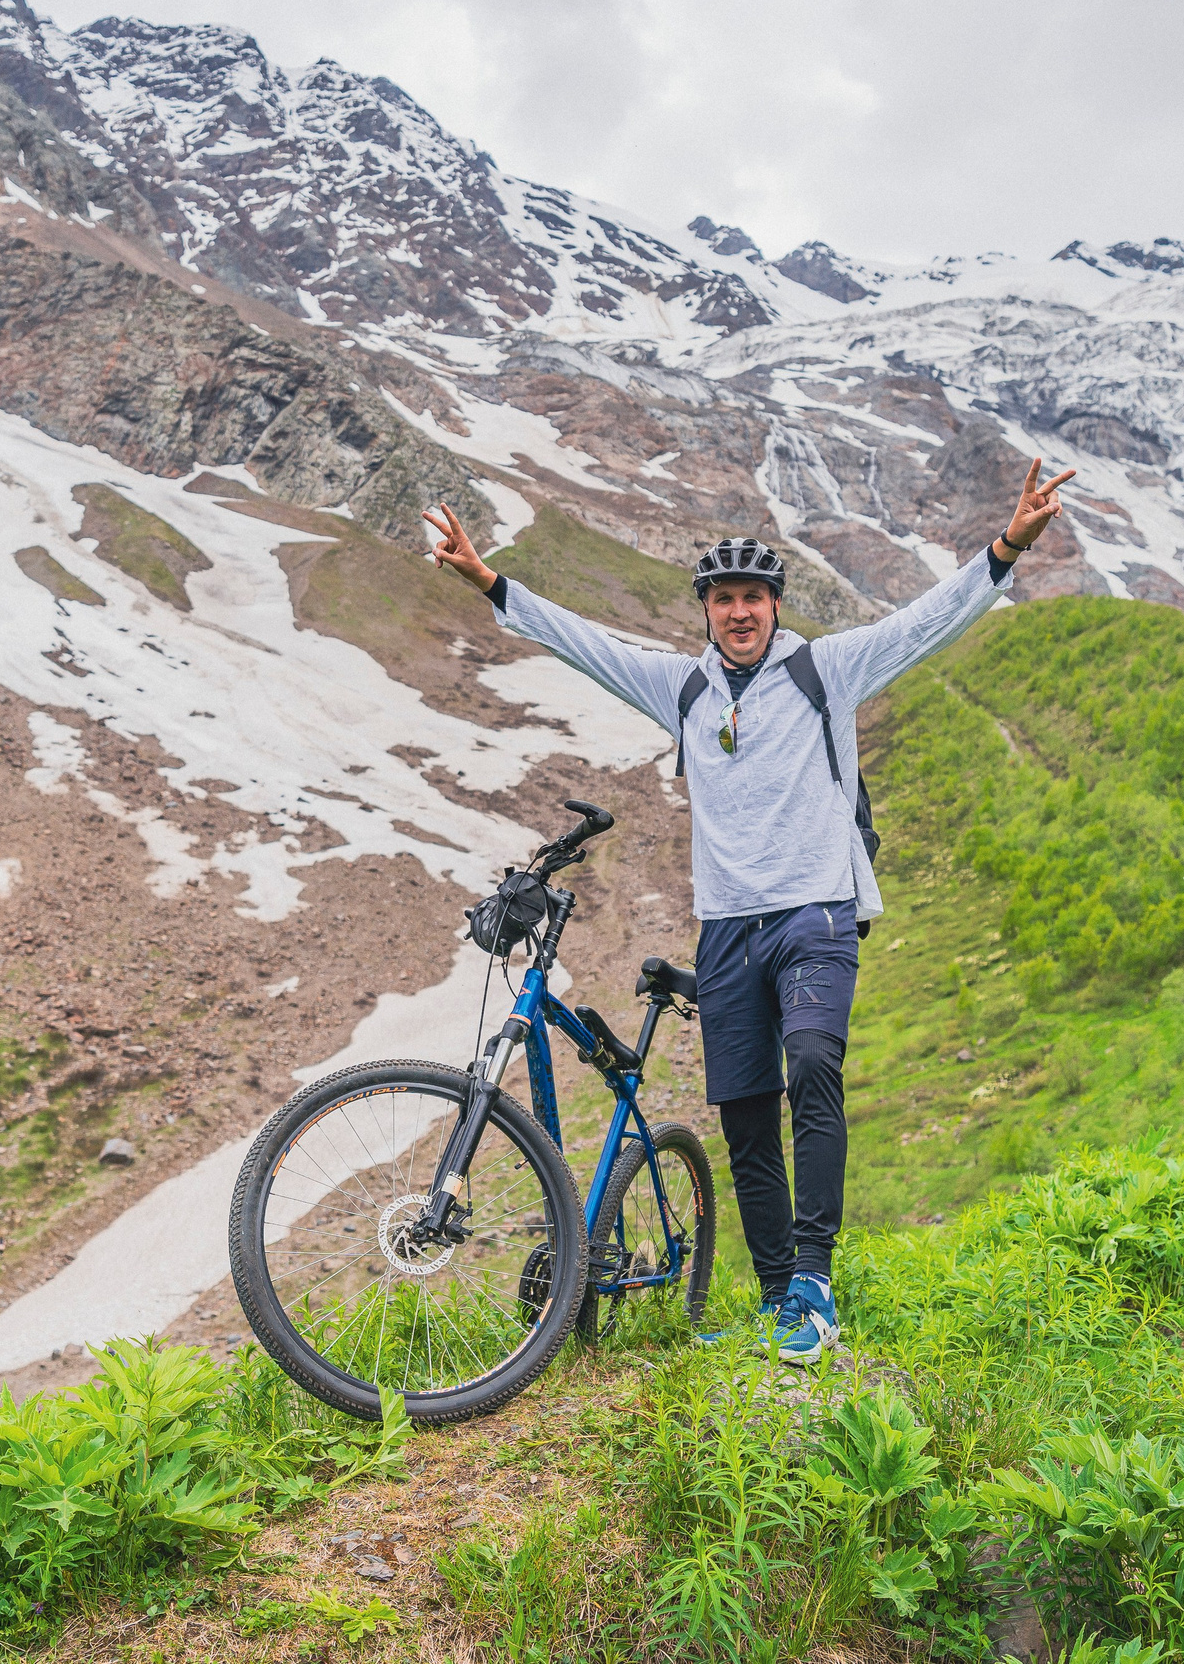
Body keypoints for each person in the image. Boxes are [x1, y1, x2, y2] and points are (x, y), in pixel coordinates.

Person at [422, 457, 1075, 1361]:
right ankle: (777, 1298)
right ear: (706, 609)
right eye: (724, 598)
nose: (739, 612)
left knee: (812, 1062)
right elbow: (587, 644)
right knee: (745, 1115)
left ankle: (815, 1280)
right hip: (727, 929)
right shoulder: (683, 689)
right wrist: (490, 582)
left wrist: (1006, 548)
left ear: (775, 604)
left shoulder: (825, 669)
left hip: (816, 912)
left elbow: (924, 622)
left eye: (754, 598)